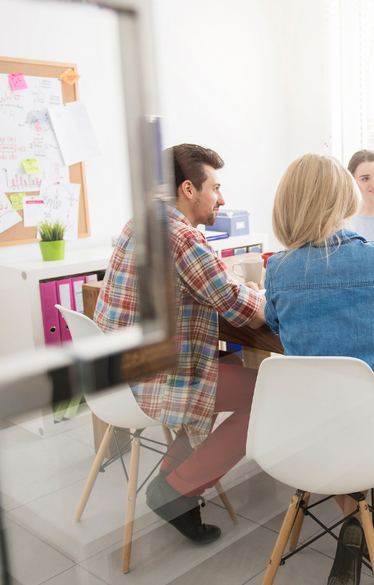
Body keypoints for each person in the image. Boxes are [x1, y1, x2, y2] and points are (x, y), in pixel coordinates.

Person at [94, 144, 266, 545]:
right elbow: (243, 309)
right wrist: (255, 291)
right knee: (267, 394)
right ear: (189, 189)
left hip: (115, 374)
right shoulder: (181, 237)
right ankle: (178, 490)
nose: (221, 199)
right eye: (216, 188)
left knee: (235, 366)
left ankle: (171, 485)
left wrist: (236, 288)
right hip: (152, 378)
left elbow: (212, 285)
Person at [264, 153, 374, 585]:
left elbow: (274, 325)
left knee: (331, 423)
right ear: (345, 199)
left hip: (302, 432)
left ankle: (354, 522)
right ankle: (359, 525)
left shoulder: (277, 269)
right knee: (357, 422)